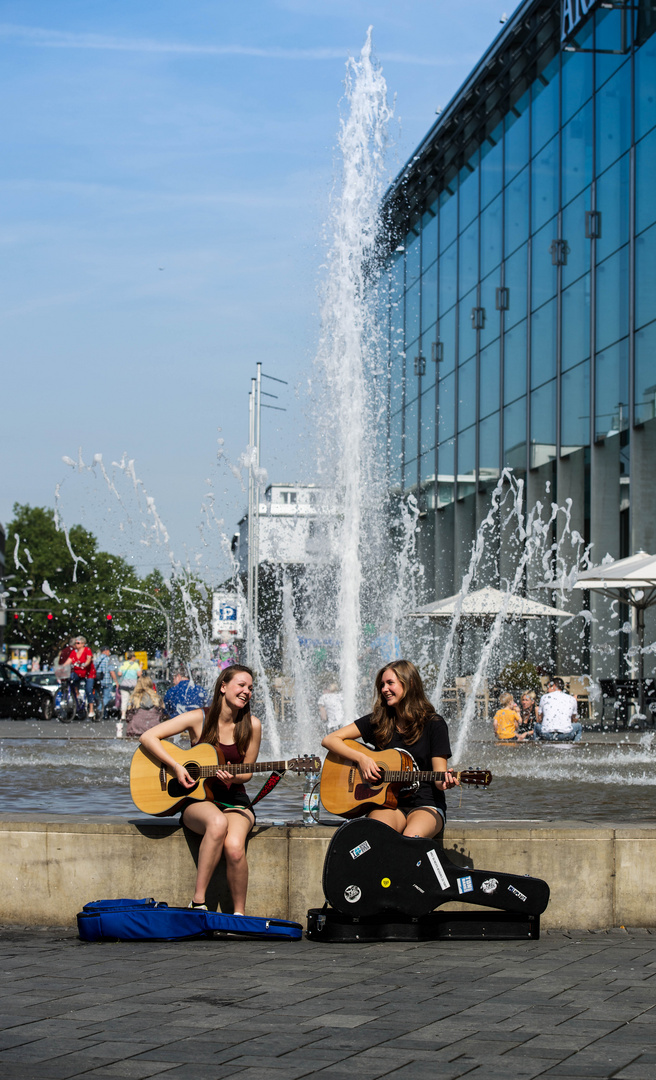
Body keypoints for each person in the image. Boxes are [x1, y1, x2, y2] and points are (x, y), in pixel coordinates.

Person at [140, 665, 261, 914]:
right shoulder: (199, 718)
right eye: (241, 685)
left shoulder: (252, 725)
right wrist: (176, 767)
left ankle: (239, 915)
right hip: (198, 801)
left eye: (250, 688)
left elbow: (247, 772)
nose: (246, 691)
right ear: (223, 686)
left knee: (235, 847)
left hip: (235, 800)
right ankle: (198, 901)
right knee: (216, 824)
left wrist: (234, 775)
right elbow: (148, 737)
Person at [321, 659, 458, 838]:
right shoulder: (379, 721)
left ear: (409, 683)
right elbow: (330, 739)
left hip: (426, 804)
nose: (384, 689)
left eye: (390, 683)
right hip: (388, 804)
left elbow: (439, 779)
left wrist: (446, 781)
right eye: (382, 684)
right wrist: (361, 759)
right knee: (377, 835)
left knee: (411, 837)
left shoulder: (434, 724)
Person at [534, 677, 583, 743]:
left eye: (548, 687)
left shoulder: (544, 697)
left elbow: (539, 719)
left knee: (536, 726)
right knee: (578, 726)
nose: (547, 690)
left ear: (554, 686)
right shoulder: (572, 699)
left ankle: (537, 748)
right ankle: (574, 748)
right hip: (565, 735)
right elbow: (575, 720)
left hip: (547, 735)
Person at [69, 635, 96, 719]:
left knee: (88, 690)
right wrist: (62, 666)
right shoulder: (74, 652)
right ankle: (77, 694)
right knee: (71, 679)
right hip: (79, 672)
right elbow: (68, 661)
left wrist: (85, 664)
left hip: (89, 674)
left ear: (83, 644)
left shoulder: (87, 650)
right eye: (75, 643)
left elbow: (89, 659)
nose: (76, 644)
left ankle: (91, 709)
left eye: (78, 643)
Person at [117, 651, 142, 720]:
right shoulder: (135, 665)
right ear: (132, 657)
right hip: (133, 685)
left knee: (124, 700)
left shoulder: (123, 664)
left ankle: (123, 715)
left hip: (124, 685)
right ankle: (133, 713)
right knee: (133, 700)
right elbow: (139, 674)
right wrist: (140, 667)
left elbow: (119, 674)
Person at [95, 646, 118, 714]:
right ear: (106, 651)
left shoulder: (97, 659)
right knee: (107, 697)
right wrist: (116, 681)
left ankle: (103, 714)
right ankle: (99, 709)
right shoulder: (108, 660)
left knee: (100, 698)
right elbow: (112, 671)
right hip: (107, 681)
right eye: (108, 651)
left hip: (98, 681)